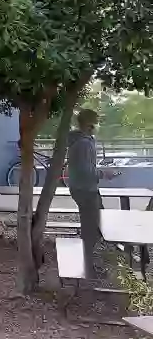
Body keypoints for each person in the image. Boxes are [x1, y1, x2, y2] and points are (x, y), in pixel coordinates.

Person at [66, 108, 107, 278]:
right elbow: (85, 170)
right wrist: (104, 174)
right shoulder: (83, 143)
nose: (97, 125)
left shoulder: (82, 140)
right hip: (86, 189)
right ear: (89, 124)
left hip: (83, 188)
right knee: (92, 229)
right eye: (96, 122)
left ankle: (87, 263)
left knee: (93, 226)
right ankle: (87, 267)